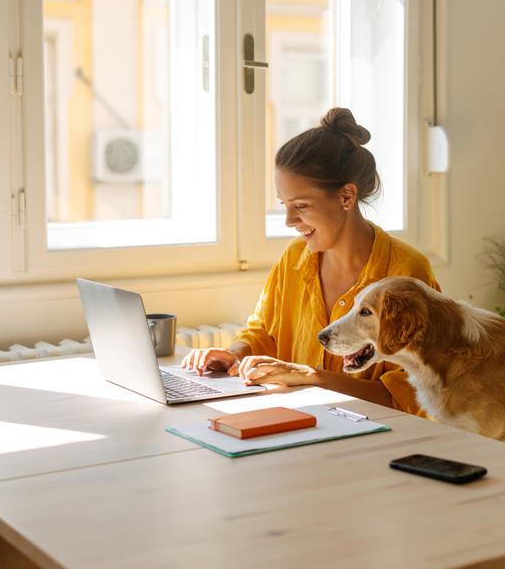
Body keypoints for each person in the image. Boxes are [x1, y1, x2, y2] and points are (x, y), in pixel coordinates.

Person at [181, 108, 440, 413]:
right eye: (284, 205)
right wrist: (234, 354)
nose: (289, 220)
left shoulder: (406, 272)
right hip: (298, 424)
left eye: (301, 206)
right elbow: (263, 331)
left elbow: (412, 398)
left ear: (346, 197)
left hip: (376, 438)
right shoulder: (294, 258)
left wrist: (314, 378)